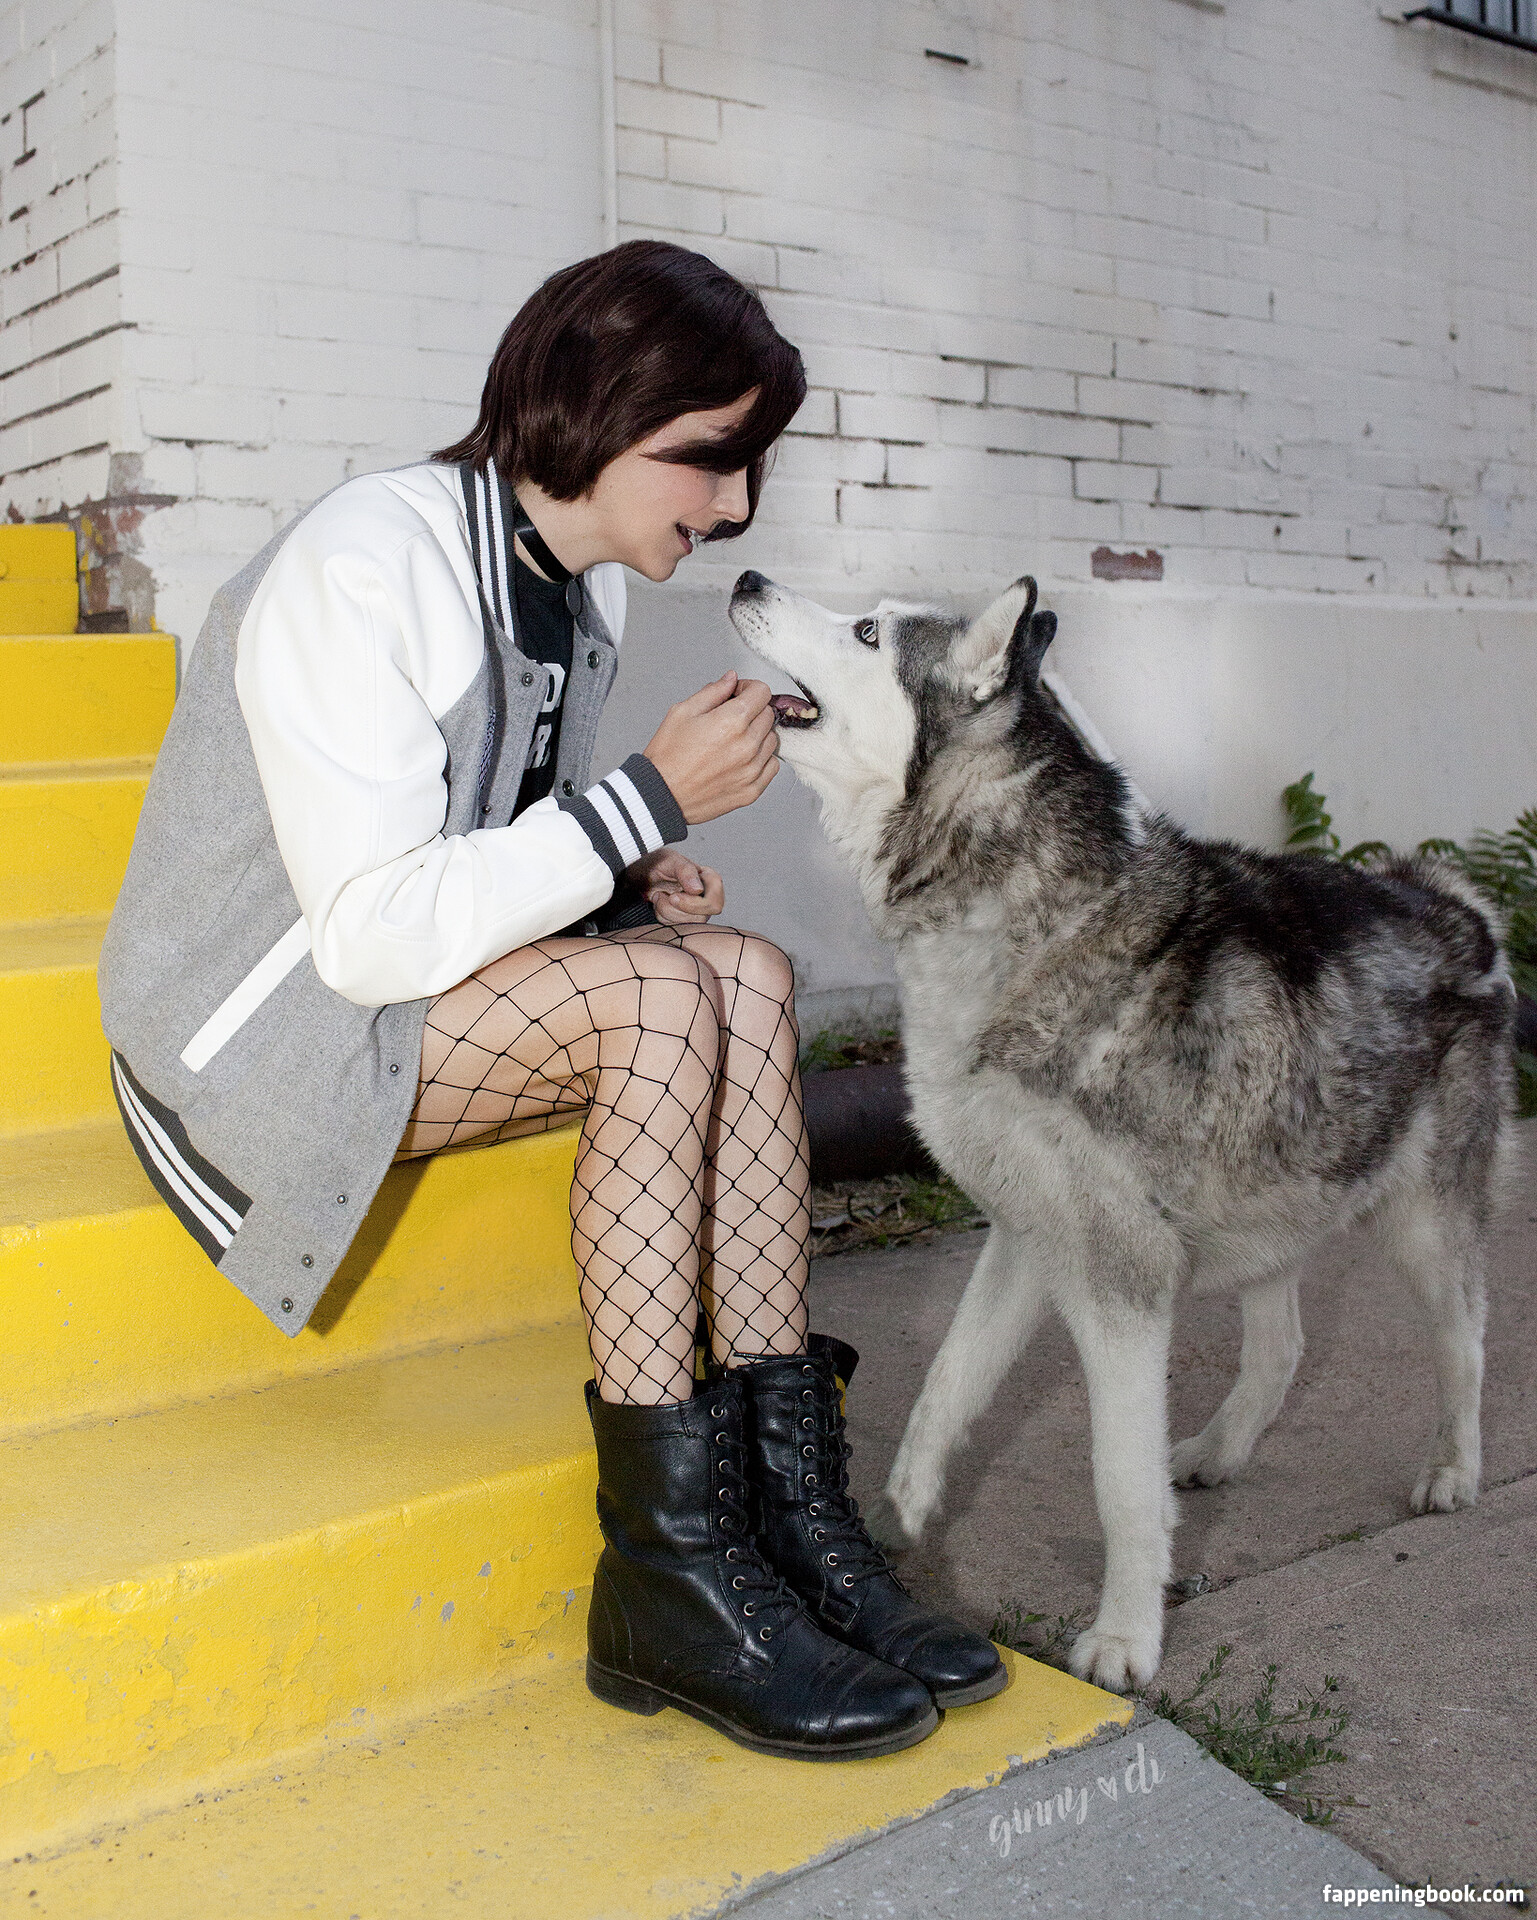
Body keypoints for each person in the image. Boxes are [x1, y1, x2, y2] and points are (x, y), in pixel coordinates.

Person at [99, 240, 1004, 1762]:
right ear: (595, 405)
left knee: (743, 974)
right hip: (253, 1037)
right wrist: (634, 803)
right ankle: (666, 1575)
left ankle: (791, 1517)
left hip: (387, 990)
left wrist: (613, 872)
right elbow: (370, 936)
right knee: (656, 1004)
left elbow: (465, 837)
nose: (733, 504)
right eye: (708, 455)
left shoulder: (568, 588)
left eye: (748, 465)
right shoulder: (368, 562)